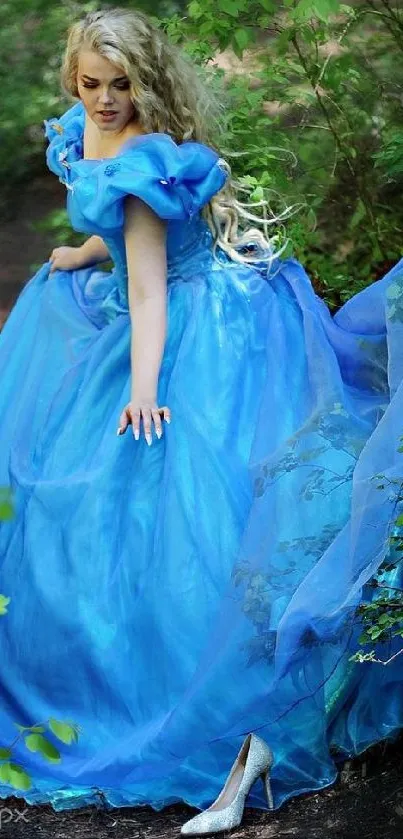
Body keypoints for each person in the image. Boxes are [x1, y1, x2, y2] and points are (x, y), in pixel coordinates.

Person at [0, 6, 402, 836]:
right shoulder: (95, 135)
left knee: (189, 504)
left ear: (145, 83)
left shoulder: (144, 160)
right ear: (74, 81)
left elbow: (149, 291)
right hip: (174, 292)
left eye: (119, 86)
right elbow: (125, 246)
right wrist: (80, 254)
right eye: (89, 84)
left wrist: (142, 388)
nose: (103, 101)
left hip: (190, 325)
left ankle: (227, 709)